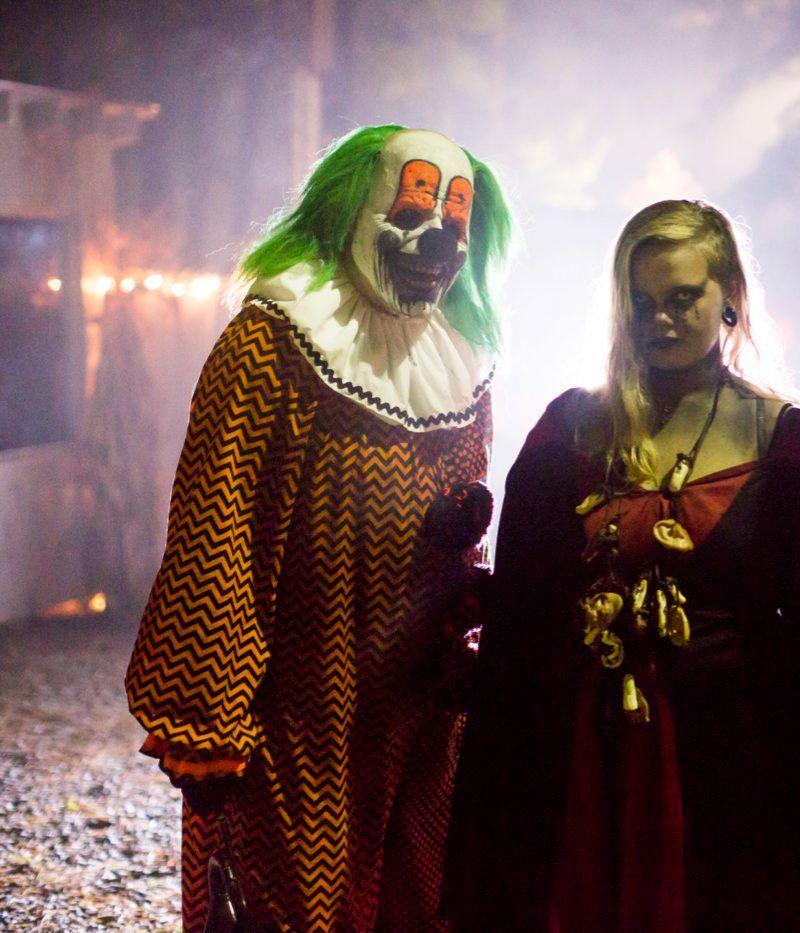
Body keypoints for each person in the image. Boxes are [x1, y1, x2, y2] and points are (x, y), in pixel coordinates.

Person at [445, 199, 800, 931]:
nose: (661, 320)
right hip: (578, 763)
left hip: (729, 773)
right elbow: (515, 634)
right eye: (642, 302)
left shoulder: (788, 447)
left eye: (683, 298)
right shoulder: (566, 431)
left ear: (730, 297)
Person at [125, 125, 513, 931]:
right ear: (353, 210)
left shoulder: (460, 360)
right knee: (289, 899)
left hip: (417, 702)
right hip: (299, 700)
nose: (437, 244)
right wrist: (209, 705)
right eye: (412, 213)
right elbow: (216, 520)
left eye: (454, 225)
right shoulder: (274, 343)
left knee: (416, 897)